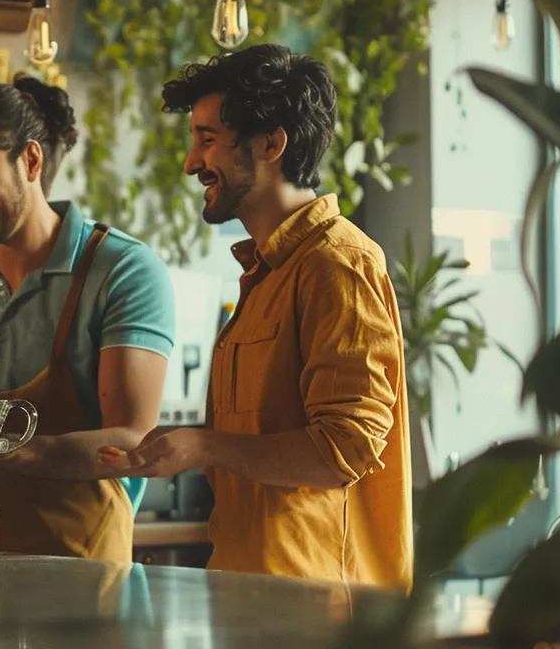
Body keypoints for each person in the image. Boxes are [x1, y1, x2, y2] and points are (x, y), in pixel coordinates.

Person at [103, 44, 412, 589]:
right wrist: (185, 445)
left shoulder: (337, 263)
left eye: (207, 140)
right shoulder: (267, 272)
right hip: (253, 600)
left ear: (272, 143)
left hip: (318, 614)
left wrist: (204, 445)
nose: (191, 163)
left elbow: (346, 448)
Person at [0, 77, 175, 564]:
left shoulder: (121, 270)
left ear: (30, 160)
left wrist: (12, 450)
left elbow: (133, 438)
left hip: (83, 578)